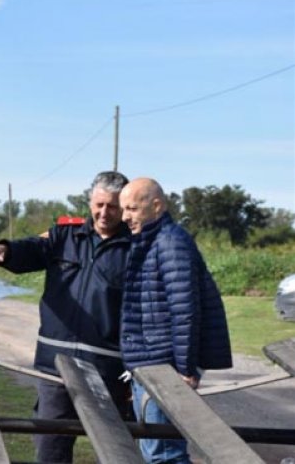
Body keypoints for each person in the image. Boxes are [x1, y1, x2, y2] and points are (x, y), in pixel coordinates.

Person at [0, 170, 131, 464]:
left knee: (118, 451)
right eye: (98, 205)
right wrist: (6, 250)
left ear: (124, 207)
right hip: (55, 367)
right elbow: (33, 248)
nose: (104, 212)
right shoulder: (65, 236)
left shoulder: (135, 248)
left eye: (112, 206)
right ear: (90, 202)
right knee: (50, 448)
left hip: (107, 371)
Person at [119, 177, 232, 464]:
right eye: (123, 210)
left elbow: (184, 310)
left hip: (165, 366)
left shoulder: (170, 241)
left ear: (156, 206)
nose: (124, 217)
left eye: (131, 208)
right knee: (155, 450)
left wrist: (184, 369)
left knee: (165, 454)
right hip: (150, 364)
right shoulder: (149, 240)